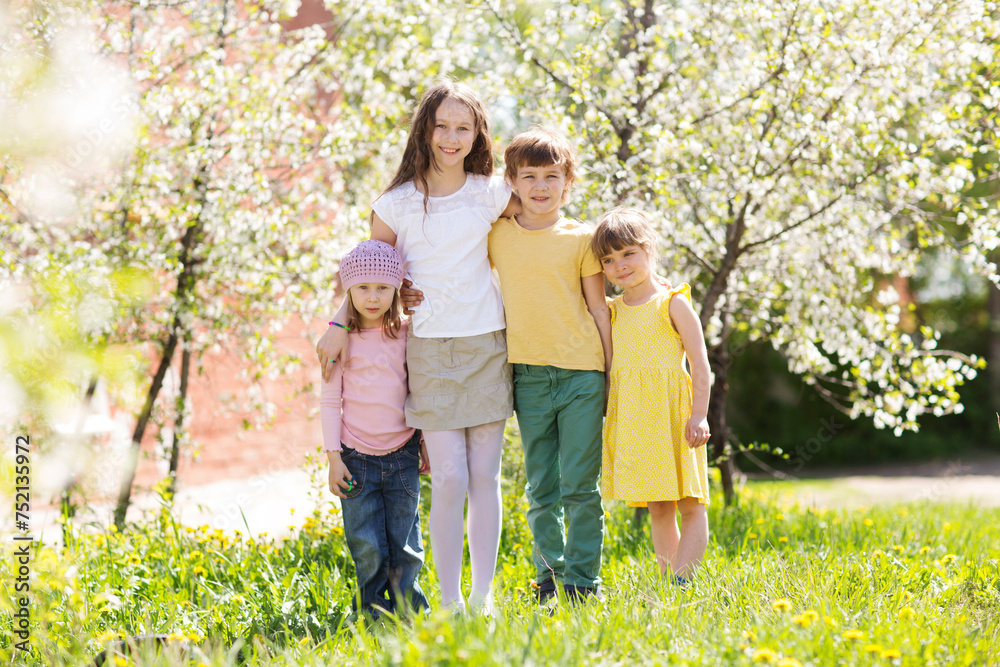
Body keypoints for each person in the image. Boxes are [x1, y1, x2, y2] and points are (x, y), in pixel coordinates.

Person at [316, 80, 519, 614]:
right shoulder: (395, 205)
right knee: (449, 477)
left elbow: (541, 229)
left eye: (463, 127)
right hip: (428, 350)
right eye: (441, 126)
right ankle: (449, 602)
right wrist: (338, 323)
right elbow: (367, 277)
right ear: (424, 130)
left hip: (487, 345)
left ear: (477, 134)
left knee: (485, 477)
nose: (451, 138)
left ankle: (482, 598)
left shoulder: (494, 192)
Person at [486, 129, 611, 604]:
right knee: (542, 487)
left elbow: (598, 308)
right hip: (528, 376)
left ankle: (582, 582)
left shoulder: (582, 238)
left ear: (568, 182)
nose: (541, 186)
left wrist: (611, 373)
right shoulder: (497, 234)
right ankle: (548, 578)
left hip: (582, 374)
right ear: (512, 182)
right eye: (529, 177)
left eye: (552, 176)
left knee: (580, 486)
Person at [591, 208, 712, 586]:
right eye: (608, 260)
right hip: (636, 420)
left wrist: (700, 414)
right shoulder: (612, 312)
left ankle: (684, 581)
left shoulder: (672, 302)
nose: (620, 266)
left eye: (628, 253)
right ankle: (668, 581)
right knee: (659, 505)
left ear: (649, 249)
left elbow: (700, 363)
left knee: (690, 503)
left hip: (674, 415)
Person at [321, 240, 429, 619]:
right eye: (363, 287)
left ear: (396, 289)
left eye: (383, 287)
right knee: (366, 544)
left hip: (403, 454)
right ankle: (370, 613)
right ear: (348, 291)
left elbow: (418, 389)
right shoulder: (339, 341)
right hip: (356, 458)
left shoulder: (408, 333)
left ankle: (409, 611)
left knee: (406, 543)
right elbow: (330, 401)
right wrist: (334, 458)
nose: (372, 297)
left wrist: (424, 440)